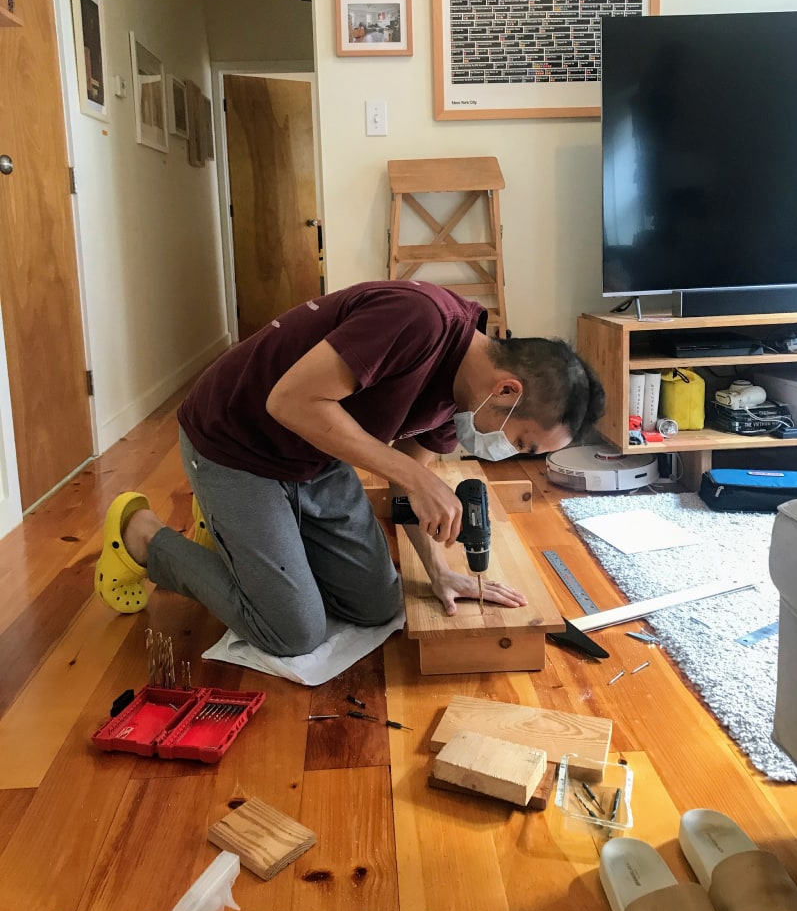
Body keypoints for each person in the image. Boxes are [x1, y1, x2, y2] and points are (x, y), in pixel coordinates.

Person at [94, 280, 604, 656]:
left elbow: (411, 492)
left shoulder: (459, 401)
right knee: (292, 633)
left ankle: (246, 539)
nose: (507, 450)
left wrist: (440, 570)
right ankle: (142, 536)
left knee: (379, 606)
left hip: (317, 456)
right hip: (236, 443)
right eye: (521, 439)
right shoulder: (419, 319)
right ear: (508, 390)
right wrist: (415, 476)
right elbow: (290, 402)